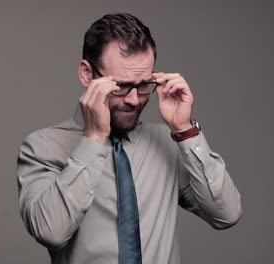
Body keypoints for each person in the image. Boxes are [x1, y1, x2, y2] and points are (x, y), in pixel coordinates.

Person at [17, 13, 242, 264]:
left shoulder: (168, 143)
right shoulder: (42, 148)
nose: (134, 99)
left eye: (144, 85)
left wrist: (185, 129)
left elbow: (226, 214)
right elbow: (51, 232)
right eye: (121, 85)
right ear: (87, 74)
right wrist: (93, 139)